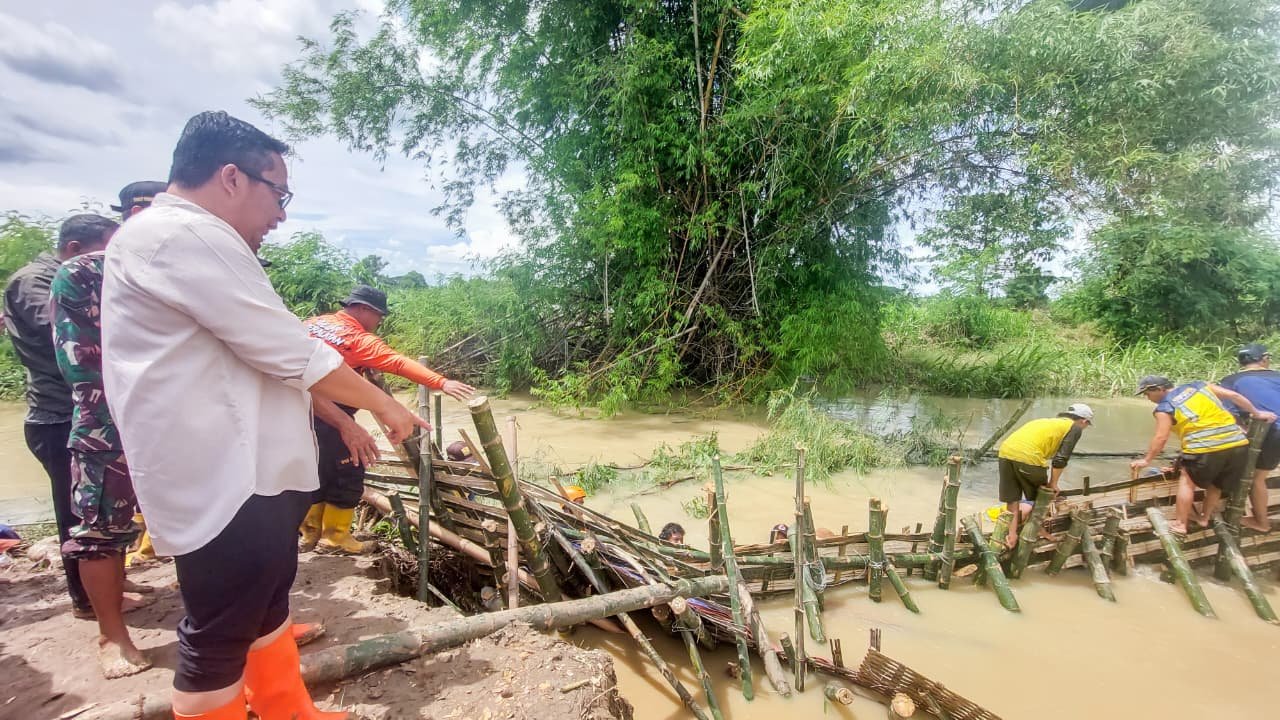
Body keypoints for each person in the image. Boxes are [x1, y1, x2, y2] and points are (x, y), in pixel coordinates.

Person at [101, 110, 426, 720]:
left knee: (264, 604)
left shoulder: (191, 239)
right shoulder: (182, 237)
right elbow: (288, 351)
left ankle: (288, 709)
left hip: (250, 470)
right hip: (224, 475)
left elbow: (274, 352)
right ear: (231, 177)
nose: (281, 214)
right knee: (219, 637)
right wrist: (383, 403)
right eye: (279, 194)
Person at [49, 214, 156, 678]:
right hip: (108, 424)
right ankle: (112, 636)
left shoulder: (174, 267)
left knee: (206, 518)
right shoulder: (85, 271)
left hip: (175, 421)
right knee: (100, 533)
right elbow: (80, 363)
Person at [301, 285, 475, 554]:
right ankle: (334, 538)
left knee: (317, 471)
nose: (379, 323)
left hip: (296, 412)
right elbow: (397, 362)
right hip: (329, 417)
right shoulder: (355, 338)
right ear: (364, 309)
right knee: (350, 470)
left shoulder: (312, 323)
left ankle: (309, 533)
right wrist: (441, 382)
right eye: (379, 316)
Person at [4, 214, 108, 617]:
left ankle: (109, 584)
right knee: (76, 511)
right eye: (105, 252)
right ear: (75, 250)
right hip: (58, 416)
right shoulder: (34, 280)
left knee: (95, 507)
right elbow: (67, 330)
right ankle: (86, 599)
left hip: (82, 410)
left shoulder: (58, 276)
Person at [1130, 375, 1275, 535]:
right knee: (1216, 484)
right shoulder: (1199, 386)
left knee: (1187, 481)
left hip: (1204, 449)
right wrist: (1257, 413)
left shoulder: (1164, 408)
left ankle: (1180, 524)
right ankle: (1204, 517)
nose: (1148, 398)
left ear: (1159, 389)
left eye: (1147, 394)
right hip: (1237, 444)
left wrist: (1147, 460)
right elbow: (1234, 396)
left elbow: (1161, 438)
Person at [996, 403, 1094, 547]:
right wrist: (1053, 484)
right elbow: (1060, 459)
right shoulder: (1075, 428)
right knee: (1044, 495)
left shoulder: (1050, 423)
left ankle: (1012, 535)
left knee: (1012, 498)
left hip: (1005, 452)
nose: (1085, 427)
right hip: (1028, 456)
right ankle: (1036, 530)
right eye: (1087, 425)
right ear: (1084, 421)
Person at [1217, 344, 1280, 532]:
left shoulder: (1229, 381)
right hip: (1275, 430)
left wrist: (1243, 430)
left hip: (1270, 431)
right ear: (1265, 359)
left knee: (1256, 478)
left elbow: (1230, 415)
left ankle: (1261, 523)